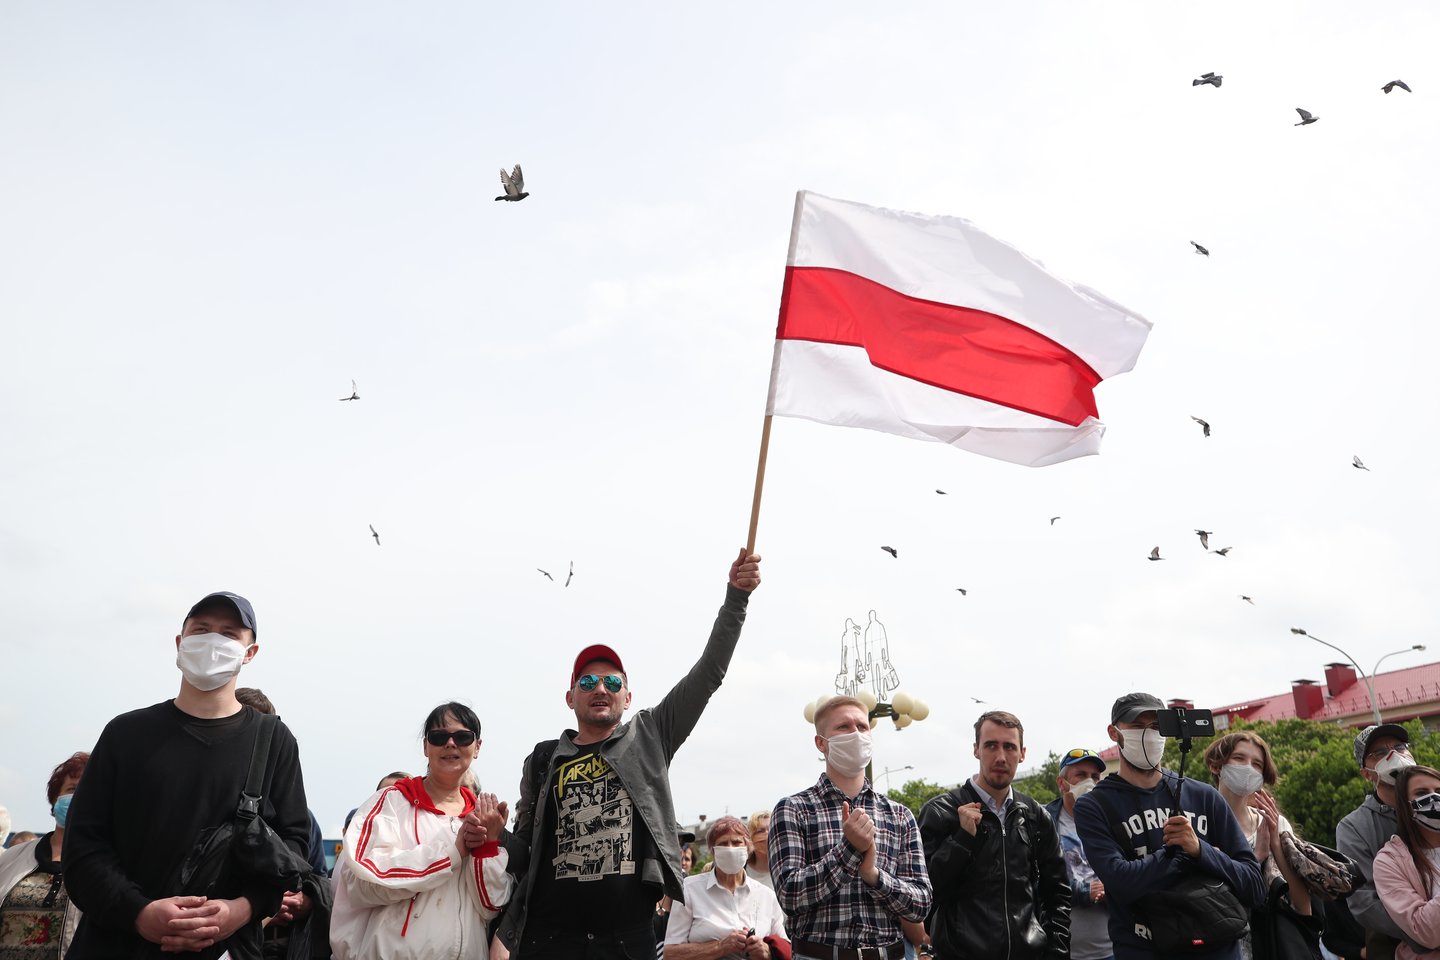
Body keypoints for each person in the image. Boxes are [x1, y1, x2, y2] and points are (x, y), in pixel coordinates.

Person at [494, 549, 761, 960]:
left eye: (612, 682)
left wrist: (736, 598)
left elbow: (709, 672)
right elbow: (527, 853)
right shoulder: (545, 760)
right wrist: (496, 836)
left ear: (628, 696)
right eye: (587, 682)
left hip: (627, 942)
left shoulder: (651, 734)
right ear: (570, 698)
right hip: (548, 941)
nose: (601, 688)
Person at [63, 591, 312, 960]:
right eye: (201, 630)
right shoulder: (125, 733)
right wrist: (138, 913)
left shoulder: (275, 740)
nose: (213, 642)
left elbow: (293, 846)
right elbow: (83, 847)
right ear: (180, 643)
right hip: (115, 945)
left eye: (229, 634)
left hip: (226, 948)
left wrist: (242, 909)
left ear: (250, 653)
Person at [1074, 692, 1265, 960]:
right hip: (1145, 949)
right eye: (1137, 726)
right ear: (1114, 733)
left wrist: (1199, 850)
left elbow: (1254, 886)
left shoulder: (1204, 796)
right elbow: (1121, 883)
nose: (1148, 734)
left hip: (1219, 947)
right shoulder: (1095, 806)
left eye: (1156, 726)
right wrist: (1184, 856)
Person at [331, 702, 512, 960]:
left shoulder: (482, 817)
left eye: (462, 737)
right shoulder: (391, 802)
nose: (451, 744)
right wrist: (451, 853)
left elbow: (490, 908)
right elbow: (362, 883)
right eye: (439, 737)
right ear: (426, 747)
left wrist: (488, 846)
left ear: (477, 747)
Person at [770, 695, 932, 960]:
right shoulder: (793, 809)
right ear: (821, 743)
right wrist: (849, 850)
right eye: (843, 727)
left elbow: (921, 904)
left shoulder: (899, 815)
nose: (855, 734)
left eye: (862, 726)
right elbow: (790, 896)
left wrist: (874, 876)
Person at [918, 710, 1069, 960]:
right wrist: (962, 840)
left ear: (1022, 753)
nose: (1000, 757)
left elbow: (1058, 895)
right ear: (976, 750)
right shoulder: (941, 812)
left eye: (1009, 747)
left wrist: (1057, 955)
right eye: (991, 745)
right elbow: (923, 895)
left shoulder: (1035, 816)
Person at [1203, 731, 1318, 959]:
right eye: (1239, 758)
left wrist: (1276, 845)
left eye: (1257, 764)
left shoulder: (1274, 824)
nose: (1248, 768)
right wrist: (1255, 858)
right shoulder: (1199, 825)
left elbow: (1303, 907)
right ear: (1216, 766)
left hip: (1270, 945)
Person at [1337, 724, 1422, 960]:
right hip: (1394, 947)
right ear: (1366, 773)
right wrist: (1424, 933)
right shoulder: (1353, 827)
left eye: (1399, 747)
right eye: (1380, 753)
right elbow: (1364, 902)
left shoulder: (1433, 802)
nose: (1394, 755)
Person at [0, 752, 88, 957]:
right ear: (55, 799)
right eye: (72, 789)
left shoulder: (111, 865)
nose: (78, 798)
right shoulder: (11, 858)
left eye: (88, 791)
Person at [663, 815, 787, 960]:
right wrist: (721, 946)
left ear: (748, 848)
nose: (730, 848)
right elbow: (670, 954)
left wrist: (767, 951)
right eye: (723, 843)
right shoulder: (690, 889)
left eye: (736, 842)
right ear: (713, 851)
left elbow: (786, 949)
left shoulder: (766, 896)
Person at [1044, 748, 1112, 960]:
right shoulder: (1044, 824)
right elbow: (1038, 881)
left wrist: (1112, 888)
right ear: (1062, 783)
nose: (1089, 782)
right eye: (1081, 775)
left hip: (1113, 947)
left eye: (1095, 776)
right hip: (1063, 949)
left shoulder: (1114, 822)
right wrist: (1084, 892)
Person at [1373, 764, 1440, 960]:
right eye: (1421, 793)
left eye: (1439, 791)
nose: (1434, 798)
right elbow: (1426, 932)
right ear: (1405, 805)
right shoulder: (1389, 862)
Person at [746, 811, 773, 889]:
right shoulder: (741, 870)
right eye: (760, 831)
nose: (767, 834)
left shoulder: (788, 869)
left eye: (771, 829)